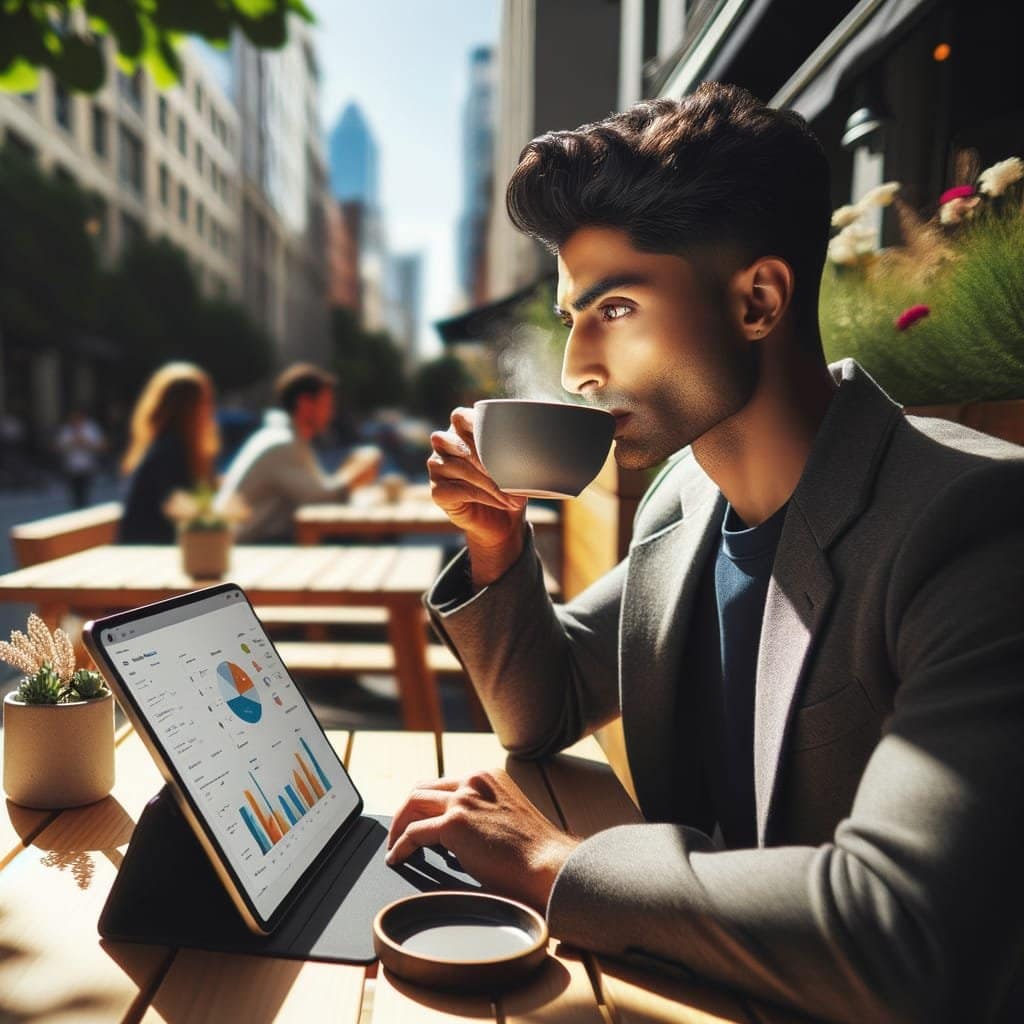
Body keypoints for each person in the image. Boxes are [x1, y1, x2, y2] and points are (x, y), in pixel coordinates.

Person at [385, 83, 1024, 1022]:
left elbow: (901, 936)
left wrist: (553, 862)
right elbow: (547, 707)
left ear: (758, 300)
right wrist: (496, 547)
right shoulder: (685, 499)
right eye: (573, 321)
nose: (576, 371)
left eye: (615, 310)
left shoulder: (973, 526)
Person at [215, 363, 381, 542]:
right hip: (251, 547)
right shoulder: (283, 444)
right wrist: (355, 473)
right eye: (327, 404)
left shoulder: (286, 437)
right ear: (305, 404)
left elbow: (320, 490)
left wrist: (349, 475)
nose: (331, 413)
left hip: (256, 542)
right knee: (363, 540)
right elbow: (319, 502)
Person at [118, 363, 219, 543]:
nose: (209, 411)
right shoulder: (170, 451)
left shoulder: (160, 447)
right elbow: (179, 507)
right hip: (153, 556)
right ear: (190, 408)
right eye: (204, 402)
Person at [55, 409, 106, 508]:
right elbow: (57, 447)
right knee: (75, 495)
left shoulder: (91, 428)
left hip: (87, 466)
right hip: (72, 467)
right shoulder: (66, 430)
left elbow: (102, 446)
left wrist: (85, 443)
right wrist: (71, 444)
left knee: (85, 493)